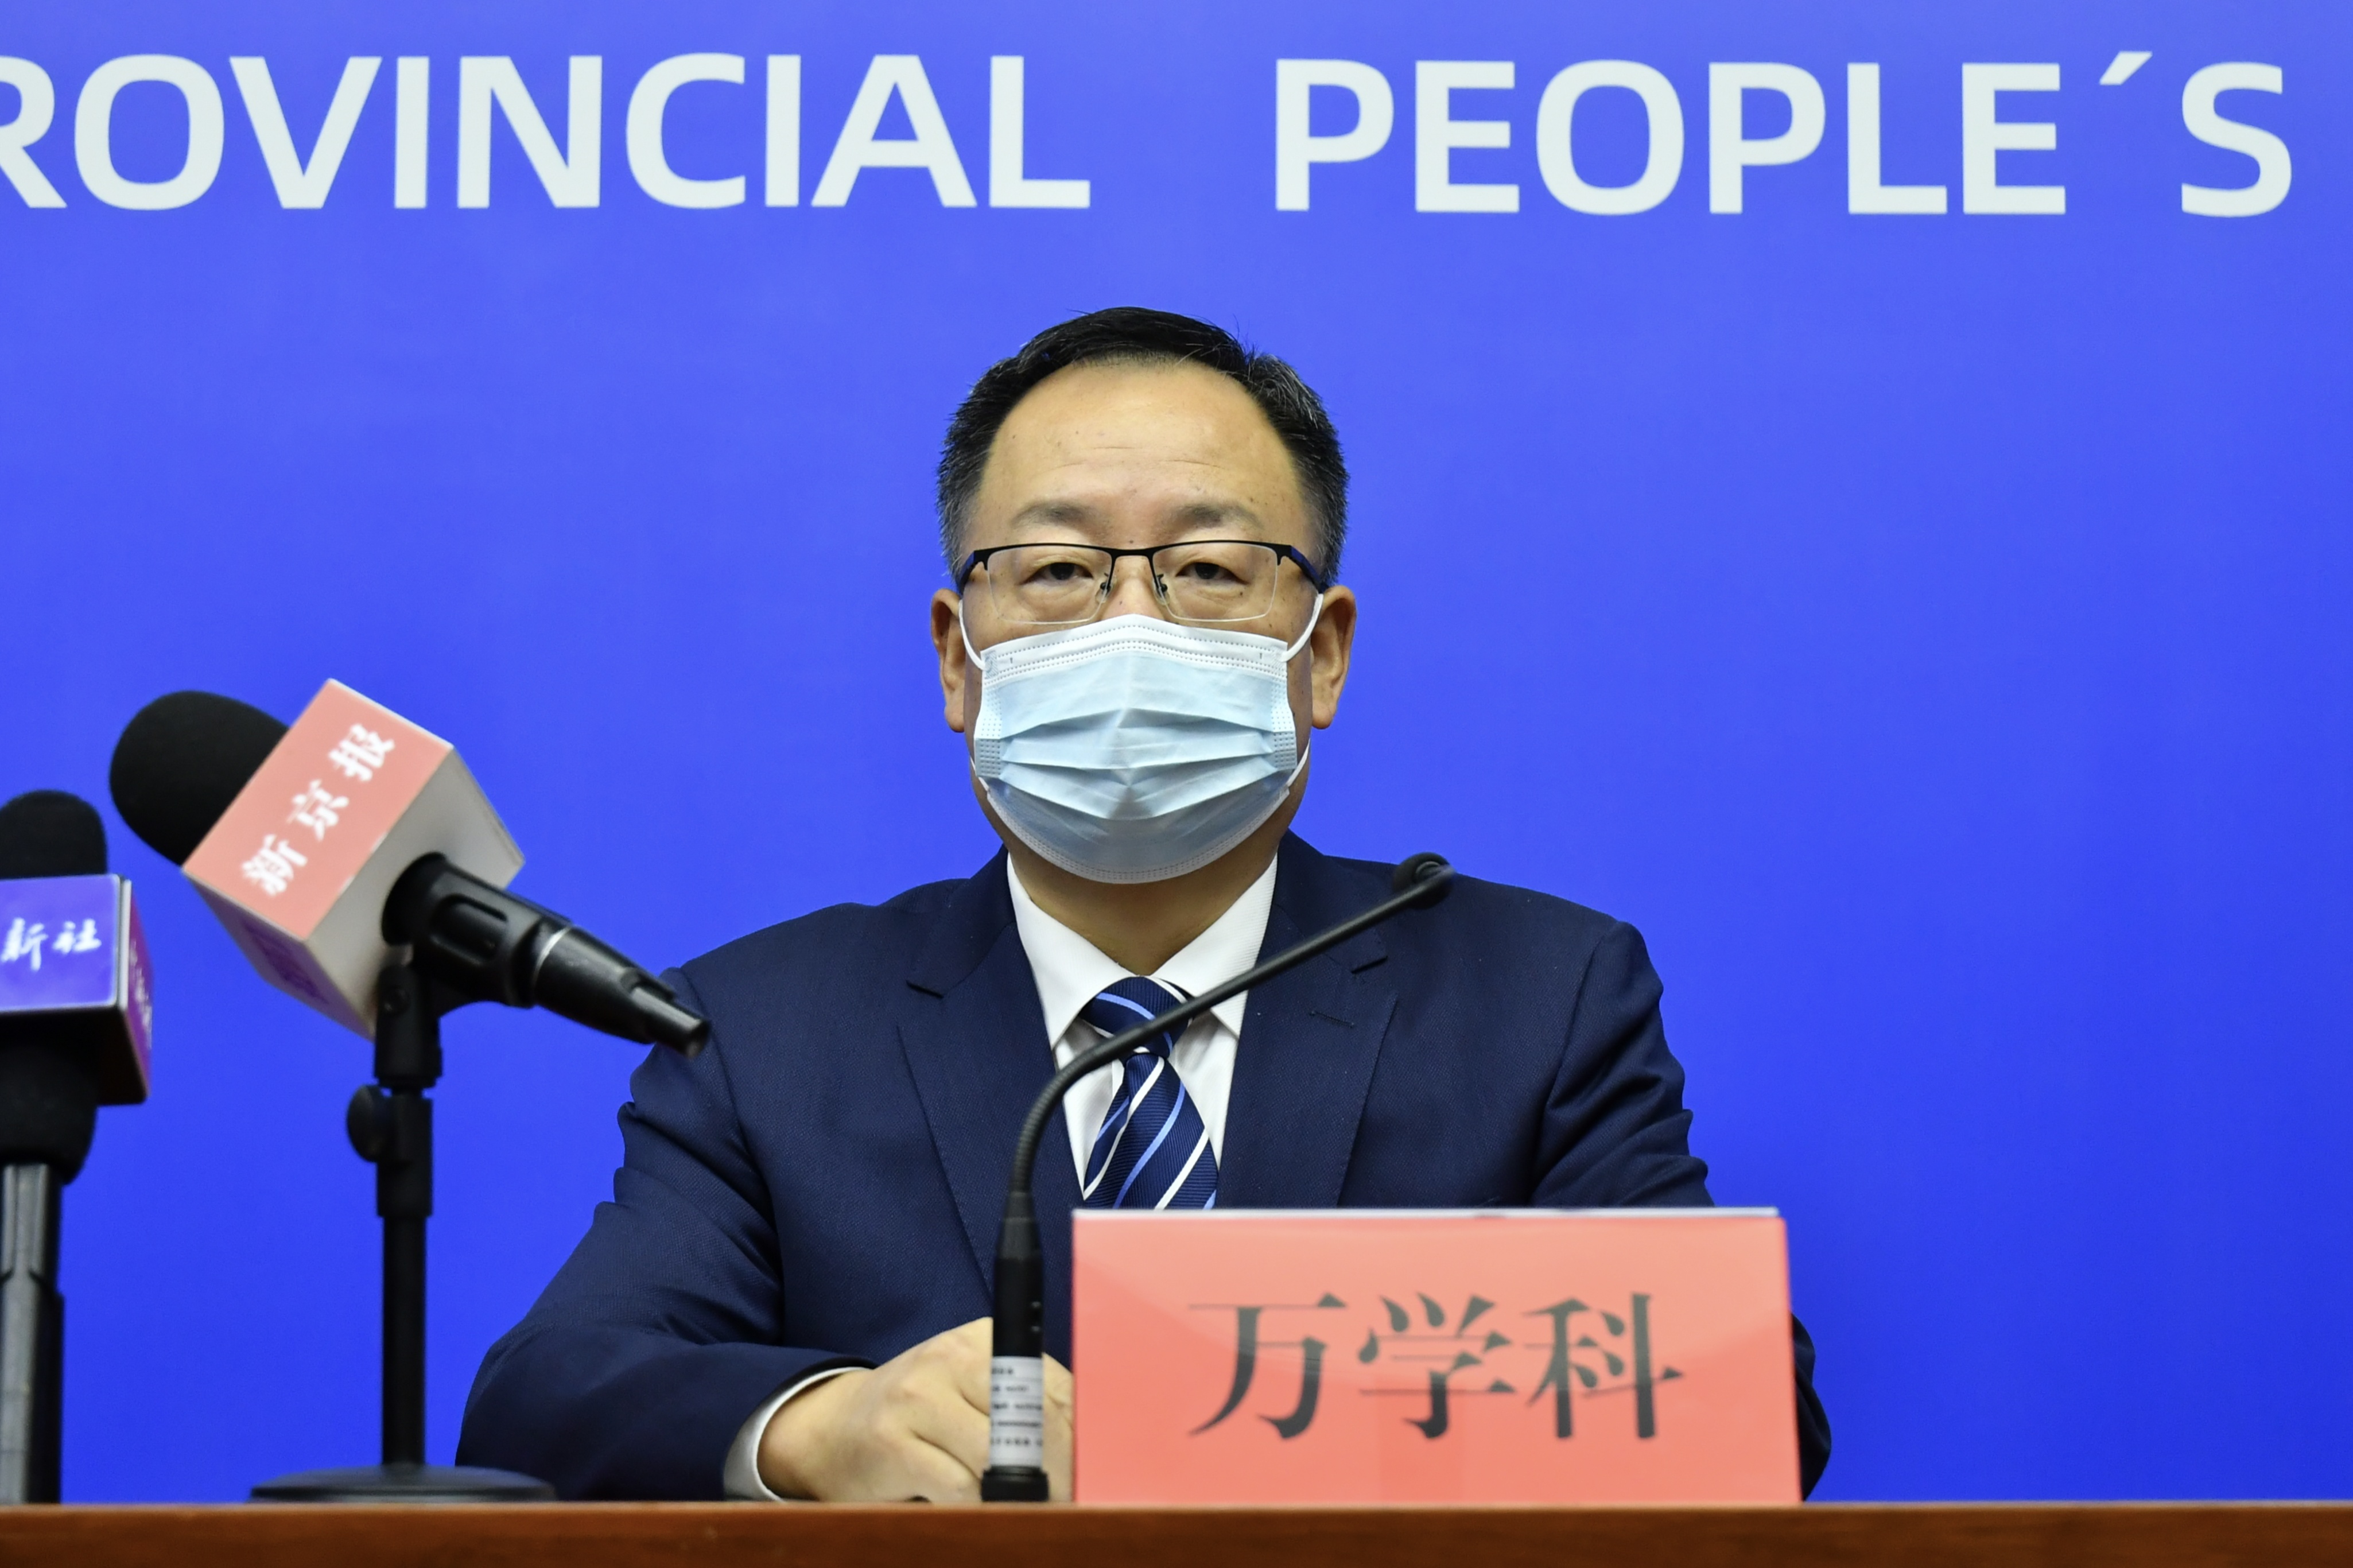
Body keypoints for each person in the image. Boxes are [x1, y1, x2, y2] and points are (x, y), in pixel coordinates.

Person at [457, 307, 1832, 1501]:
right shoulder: (770, 1025)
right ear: (956, 659)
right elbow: (542, 1397)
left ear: (1322, 656)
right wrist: (822, 1426)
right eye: (1059, 570)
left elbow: (1749, 1403)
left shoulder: (1537, 994)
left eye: (1208, 570)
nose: (1130, 625)